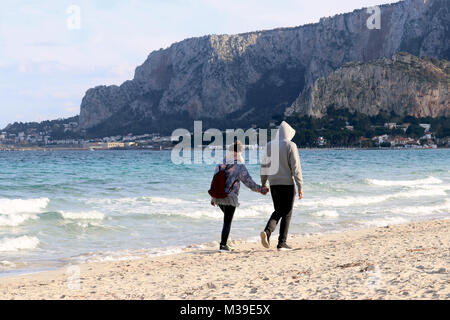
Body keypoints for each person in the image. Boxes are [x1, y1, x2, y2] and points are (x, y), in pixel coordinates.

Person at [211, 141, 269, 252]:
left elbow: (214, 181)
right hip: (230, 197)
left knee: (227, 219)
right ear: (239, 152)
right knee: (227, 221)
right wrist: (261, 189)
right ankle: (223, 245)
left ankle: (226, 241)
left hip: (218, 196)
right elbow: (249, 182)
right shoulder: (239, 166)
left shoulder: (221, 163)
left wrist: (212, 197)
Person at [260, 121, 303, 251]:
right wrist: (300, 186)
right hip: (287, 185)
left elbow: (264, 167)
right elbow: (296, 168)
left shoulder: (269, 146)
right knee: (287, 213)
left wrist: (263, 183)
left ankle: (267, 232)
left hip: (274, 184)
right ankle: (282, 243)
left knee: (278, 210)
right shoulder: (291, 145)